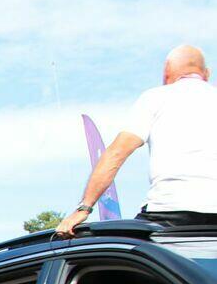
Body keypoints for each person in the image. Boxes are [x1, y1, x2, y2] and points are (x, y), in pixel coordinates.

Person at [58, 45, 217, 236]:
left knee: (115, 247)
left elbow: (117, 152)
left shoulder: (155, 98)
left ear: (166, 74)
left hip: (170, 212)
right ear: (207, 73)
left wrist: (84, 208)